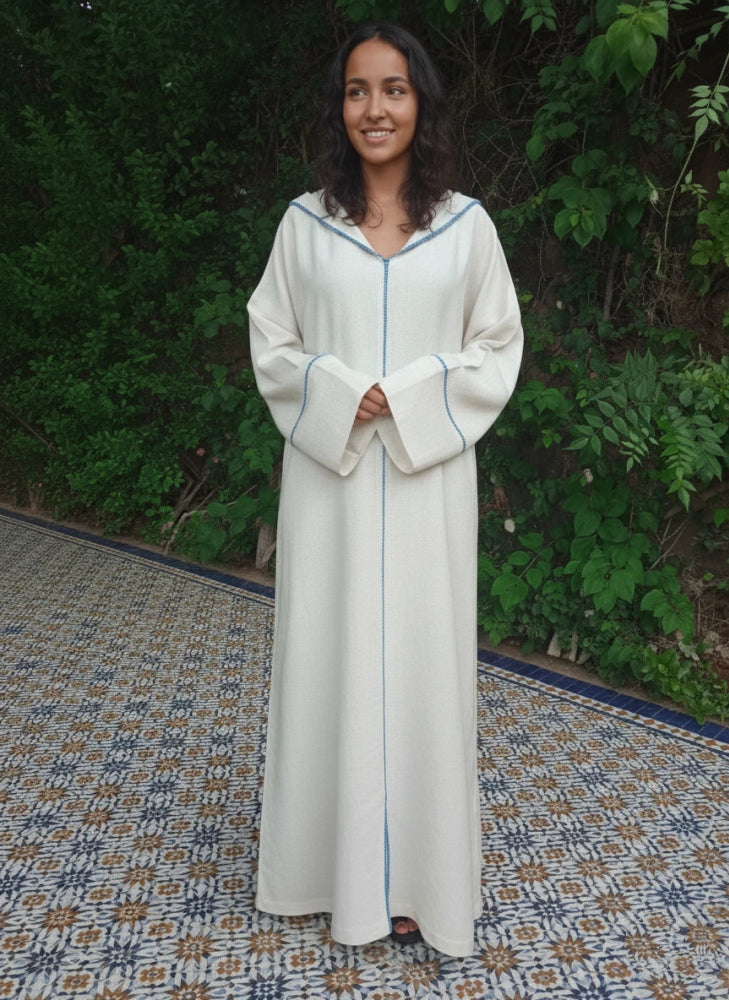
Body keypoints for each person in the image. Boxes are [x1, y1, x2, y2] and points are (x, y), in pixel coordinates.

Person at [247, 22, 523, 958]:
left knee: (421, 667)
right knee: (328, 662)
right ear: (341, 107)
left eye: (394, 89)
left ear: (421, 103)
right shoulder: (303, 226)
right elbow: (272, 341)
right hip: (330, 484)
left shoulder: (467, 228)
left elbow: (497, 346)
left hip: (425, 485)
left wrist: (406, 397)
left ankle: (422, 883)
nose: (375, 108)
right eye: (359, 90)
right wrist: (335, 390)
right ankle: (327, 874)